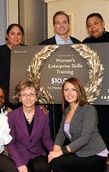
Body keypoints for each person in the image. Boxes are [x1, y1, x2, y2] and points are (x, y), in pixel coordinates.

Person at [82, 13, 109, 172]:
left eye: (96, 23)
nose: (93, 27)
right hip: (93, 97)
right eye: (89, 25)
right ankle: (96, 164)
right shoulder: (85, 44)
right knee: (94, 130)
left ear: (103, 23)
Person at [7, 80, 54, 172]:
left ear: (36, 97)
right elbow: (10, 143)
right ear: (19, 97)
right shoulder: (11, 116)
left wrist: (55, 152)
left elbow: (46, 138)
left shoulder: (44, 114)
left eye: (31, 94)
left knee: (43, 168)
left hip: (36, 155)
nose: (28, 98)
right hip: (19, 156)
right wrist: (19, 164)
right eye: (24, 94)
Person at [39, 11, 81, 141]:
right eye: (58, 23)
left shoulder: (79, 44)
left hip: (73, 99)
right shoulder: (43, 46)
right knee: (53, 134)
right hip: (52, 101)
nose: (61, 25)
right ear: (54, 26)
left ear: (68, 24)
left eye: (64, 22)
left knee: (74, 132)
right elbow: (38, 74)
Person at [0, 23, 25, 101]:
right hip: (7, 95)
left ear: (22, 36)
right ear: (7, 36)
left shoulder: (28, 50)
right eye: (12, 34)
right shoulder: (0, 51)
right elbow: (0, 76)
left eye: (19, 34)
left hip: (25, 94)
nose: (16, 37)